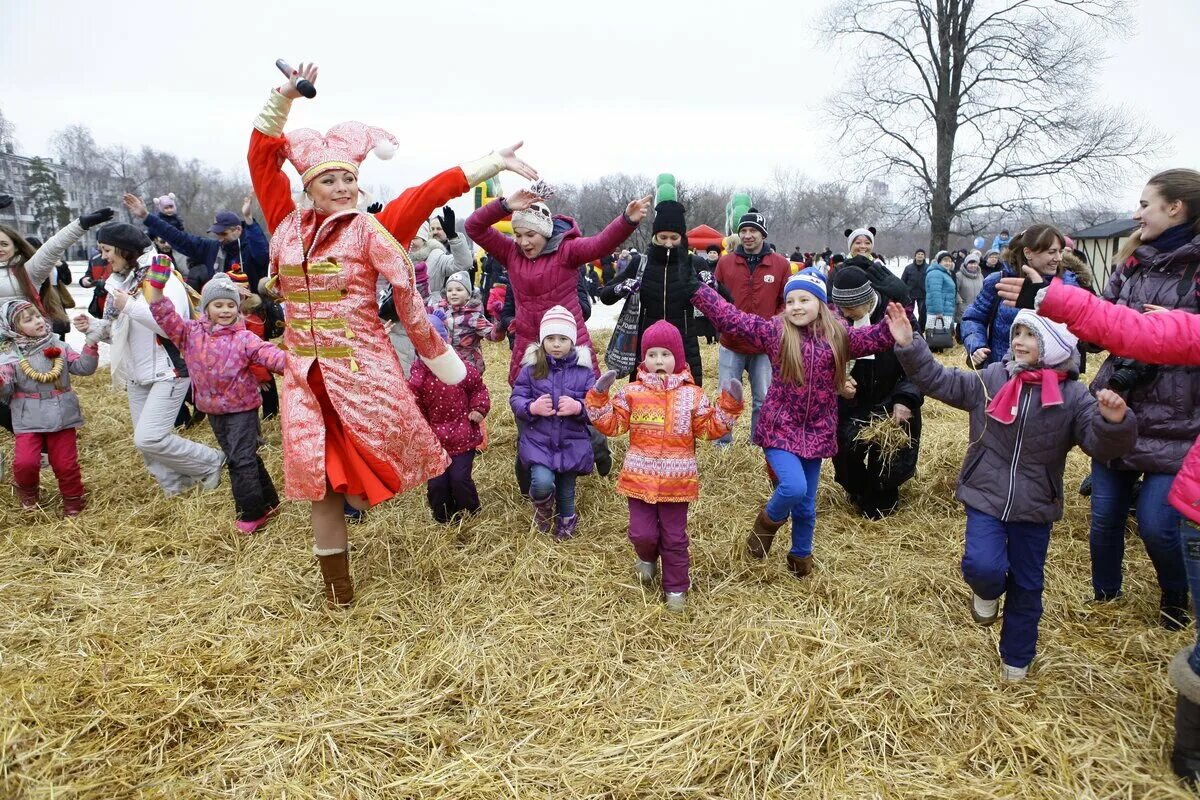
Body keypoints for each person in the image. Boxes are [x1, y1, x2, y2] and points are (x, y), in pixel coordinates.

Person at [245, 61, 535, 605]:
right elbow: (261, 157)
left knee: (370, 460)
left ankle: (366, 485)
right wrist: (285, 96)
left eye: (349, 179)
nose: (341, 187)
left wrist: (490, 163)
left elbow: (425, 195)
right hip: (306, 379)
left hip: (362, 372)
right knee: (318, 486)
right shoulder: (285, 224)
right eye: (329, 180)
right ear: (309, 188)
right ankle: (338, 591)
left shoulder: (374, 228)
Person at [995, 269, 1200, 781]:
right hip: (1117, 415)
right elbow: (1107, 325)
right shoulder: (1129, 284)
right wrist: (1051, 299)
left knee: (1155, 523)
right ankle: (1106, 596)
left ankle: (1174, 595)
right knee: (1105, 517)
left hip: (1168, 435)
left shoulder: (1177, 330)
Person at [886, 303, 1136, 681]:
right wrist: (910, 345)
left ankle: (1016, 660)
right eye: (1017, 333)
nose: (1018, 341)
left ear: (1053, 346)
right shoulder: (992, 379)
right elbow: (939, 380)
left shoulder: (1073, 398)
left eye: (1030, 336)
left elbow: (1099, 446)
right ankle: (986, 593)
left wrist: (1115, 423)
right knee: (981, 565)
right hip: (985, 493)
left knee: (1027, 584)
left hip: (1035, 505)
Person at [682, 265, 897, 576]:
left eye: (804, 300)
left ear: (821, 303)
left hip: (817, 432)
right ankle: (765, 526)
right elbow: (734, 319)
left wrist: (897, 325)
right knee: (793, 488)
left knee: (807, 507)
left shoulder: (839, 337)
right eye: (791, 300)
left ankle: (800, 559)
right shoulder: (776, 332)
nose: (796, 306)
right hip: (780, 429)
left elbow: (873, 338)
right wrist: (698, 292)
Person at [587, 321, 743, 611]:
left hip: (677, 482)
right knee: (641, 533)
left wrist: (729, 406)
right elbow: (612, 424)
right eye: (653, 354)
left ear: (679, 359)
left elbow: (710, 429)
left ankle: (675, 588)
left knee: (673, 537)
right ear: (643, 359)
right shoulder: (631, 392)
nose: (659, 360)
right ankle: (646, 557)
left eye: (666, 355)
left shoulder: (692, 395)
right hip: (639, 478)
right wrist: (599, 398)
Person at [73, 223, 227, 496]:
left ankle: (210, 461)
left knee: (150, 437)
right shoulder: (123, 282)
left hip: (170, 371)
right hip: (137, 372)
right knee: (145, 443)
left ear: (125, 249)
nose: (104, 257)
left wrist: (130, 307)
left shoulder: (162, 275)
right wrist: (95, 329)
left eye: (107, 250)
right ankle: (176, 489)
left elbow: (173, 327)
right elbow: (124, 331)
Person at [466, 181, 646, 387]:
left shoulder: (567, 250)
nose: (524, 242)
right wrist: (505, 205)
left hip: (568, 341)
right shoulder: (510, 252)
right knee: (529, 406)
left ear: (544, 233)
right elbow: (474, 227)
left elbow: (601, 243)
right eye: (518, 235)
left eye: (530, 235)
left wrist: (626, 221)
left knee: (578, 403)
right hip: (528, 344)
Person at [147, 270, 286, 533]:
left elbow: (270, 356)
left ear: (238, 308)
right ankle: (269, 501)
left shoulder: (244, 338)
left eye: (231, 305)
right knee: (244, 456)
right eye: (218, 305)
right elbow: (164, 317)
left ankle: (252, 514)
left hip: (242, 409)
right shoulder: (189, 334)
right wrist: (156, 289)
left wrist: (297, 365)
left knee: (239, 460)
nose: (225, 310)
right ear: (206, 307)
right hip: (212, 409)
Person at [830, 265, 922, 519]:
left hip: (893, 399)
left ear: (866, 299)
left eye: (851, 307)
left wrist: (905, 399)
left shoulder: (895, 316)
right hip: (854, 402)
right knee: (845, 455)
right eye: (841, 307)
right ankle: (859, 487)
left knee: (888, 467)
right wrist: (838, 382)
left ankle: (881, 493)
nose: (845, 312)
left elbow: (916, 364)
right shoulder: (837, 321)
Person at [0, 299, 99, 515]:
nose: (37, 321)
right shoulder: (9, 356)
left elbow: (83, 368)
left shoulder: (60, 346)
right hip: (27, 418)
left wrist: (91, 343)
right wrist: (2, 380)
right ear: (14, 329)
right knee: (25, 462)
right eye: (28, 320)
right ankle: (28, 492)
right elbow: (4, 392)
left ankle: (73, 500)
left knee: (65, 464)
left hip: (61, 415)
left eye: (37, 316)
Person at [600, 200, 711, 384]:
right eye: (663, 237)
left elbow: (725, 302)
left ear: (682, 238)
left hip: (685, 346)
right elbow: (606, 296)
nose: (668, 243)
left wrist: (712, 286)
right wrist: (621, 288)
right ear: (654, 236)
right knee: (643, 405)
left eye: (674, 238)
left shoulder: (695, 264)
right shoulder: (640, 263)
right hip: (646, 349)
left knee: (686, 405)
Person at [510, 306, 597, 540]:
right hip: (539, 440)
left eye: (562, 339)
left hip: (571, 441)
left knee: (567, 488)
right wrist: (531, 408)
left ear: (572, 341)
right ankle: (543, 508)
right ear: (542, 341)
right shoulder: (531, 369)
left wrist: (579, 407)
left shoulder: (584, 371)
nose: (556, 344)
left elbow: (597, 407)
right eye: (550, 338)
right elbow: (517, 397)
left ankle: (566, 519)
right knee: (542, 482)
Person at [711, 208, 792, 445]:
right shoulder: (726, 263)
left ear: (763, 234)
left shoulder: (780, 265)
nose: (747, 235)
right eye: (743, 231)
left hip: (764, 346)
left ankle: (758, 442)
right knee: (726, 396)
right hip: (731, 343)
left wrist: (774, 327)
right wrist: (721, 325)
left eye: (753, 231)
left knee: (763, 397)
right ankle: (722, 443)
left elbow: (784, 302)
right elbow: (716, 299)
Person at [962, 225, 1079, 369]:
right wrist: (976, 345)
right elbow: (974, 318)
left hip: (1050, 376)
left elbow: (1078, 327)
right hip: (1002, 373)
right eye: (1052, 252)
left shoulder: (1068, 284)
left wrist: (1044, 299)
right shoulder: (999, 281)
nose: (1058, 258)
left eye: (1060, 252)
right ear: (1028, 253)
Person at [410, 313, 490, 523]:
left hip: (462, 434)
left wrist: (479, 408)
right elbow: (414, 403)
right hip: (434, 440)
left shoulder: (460, 367)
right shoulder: (418, 374)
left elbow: (478, 389)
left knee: (459, 479)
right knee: (437, 484)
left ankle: (471, 513)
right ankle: (444, 519)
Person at [127, 194, 269, 292]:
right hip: (220, 315)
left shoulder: (251, 249)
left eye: (223, 234)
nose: (220, 238)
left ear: (238, 230)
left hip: (252, 316)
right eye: (217, 234)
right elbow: (179, 238)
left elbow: (262, 255)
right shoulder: (211, 248)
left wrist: (249, 220)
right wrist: (147, 217)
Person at [430, 270, 499, 375]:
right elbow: (422, 311)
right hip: (446, 364)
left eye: (459, 290)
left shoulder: (474, 316)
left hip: (469, 366)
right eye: (449, 290)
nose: (453, 293)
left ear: (468, 295)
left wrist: (500, 323)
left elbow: (492, 335)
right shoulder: (440, 309)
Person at [924, 250, 958, 350]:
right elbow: (935, 293)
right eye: (945, 261)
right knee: (936, 336)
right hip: (939, 311)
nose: (948, 263)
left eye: (950, 261)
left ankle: (939, 350)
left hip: (945, 309)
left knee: (941, 335)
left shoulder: (944, 273)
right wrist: (938, 311)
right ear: (939, 262)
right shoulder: (936, 273)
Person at [955, 251, 984, 343]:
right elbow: (955, 290)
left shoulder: (980, 276)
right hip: (964, 304)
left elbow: (984, 289)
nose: (973, 266)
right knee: (962, 323)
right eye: (970, 263)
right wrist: (959, 300)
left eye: (975, 263)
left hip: (977, 305)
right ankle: (959, 339)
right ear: (966, 264)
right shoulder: (959, 276)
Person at [901, 248, 929, 333]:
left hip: (923, 294)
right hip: (910, 294)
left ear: (924, 257)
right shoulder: (908, 268)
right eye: (918, 254)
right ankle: (910, 328)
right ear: (915, 256)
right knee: (909, 313)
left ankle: (921, 330)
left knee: (923, 314)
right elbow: (903, 281)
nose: (920, 256)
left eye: (922, 254)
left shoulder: (928, 268)